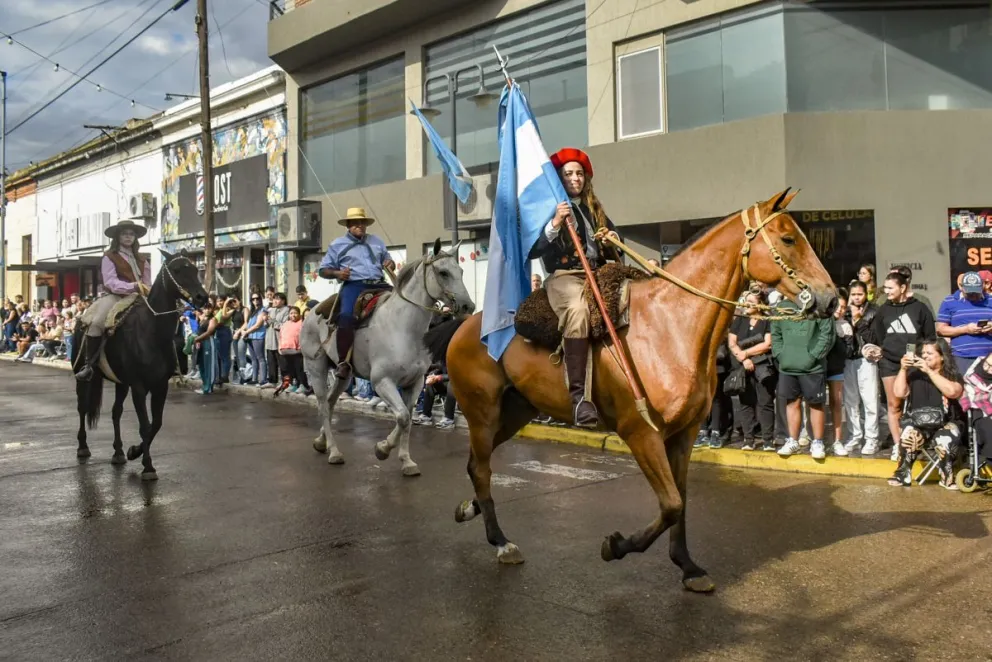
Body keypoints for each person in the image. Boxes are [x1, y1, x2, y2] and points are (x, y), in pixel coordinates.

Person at [527, 147, 622, 429]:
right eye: (568, 174)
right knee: (579, 310)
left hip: (598, 272)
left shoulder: (594, 208)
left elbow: (617, 242)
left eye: (579, 173)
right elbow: (533, 249)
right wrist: (555, 222)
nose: (575, 178)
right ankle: (579, 398)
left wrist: (612, 238)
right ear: (559, 178)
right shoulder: (548, 210)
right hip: (564, 275)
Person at [318, 207, 396, 379]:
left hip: (379, 283)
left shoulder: (377, 241)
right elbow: (323, 270)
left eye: (362, 222)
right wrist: (338, 273)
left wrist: (390, 263)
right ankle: (343, 362)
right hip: (354, 285)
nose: (360, 225)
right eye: (355, 223)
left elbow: (388, 260)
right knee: (346, 316)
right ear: (348, 225)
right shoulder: (337, 244)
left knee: (404, 303)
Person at [869, 271, 936, 461]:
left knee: (918, 404)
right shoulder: (883, 309)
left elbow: (930, 336)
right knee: (894, 404)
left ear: (903, 288)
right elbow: (880, 336)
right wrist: (887, 353)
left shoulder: (920, 308)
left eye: (890, 288)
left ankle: (919, 441)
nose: (887, 291)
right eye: (886, 287)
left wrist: (923, 359)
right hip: (890, 363)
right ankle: (899, 445)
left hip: (915, 362)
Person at [75, 219, 151, 381]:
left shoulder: (143, 259)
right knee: (96, 323)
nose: (128, 237)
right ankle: (89, 365)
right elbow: (111, 282)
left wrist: (145, 289)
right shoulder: (109, 257)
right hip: (115, 296)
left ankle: (171, 361)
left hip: (140, 297)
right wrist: (133, 286)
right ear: (118, 237)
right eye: (124, 234)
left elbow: (147, 282)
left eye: (131, 234)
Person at [888, 339, 963, 489]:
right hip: (918, 423)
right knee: (909, 434)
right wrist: (903, 369)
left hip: (945, 423)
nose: (925, 356)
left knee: (945, 437)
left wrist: (929, 372)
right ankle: (903, 474)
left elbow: (953, 392)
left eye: (929, 353)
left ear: (942, 356)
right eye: (923, 353)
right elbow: (898, 392)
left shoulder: (951, 374)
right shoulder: (914, 373)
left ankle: (946, 477)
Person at [772, 298, 835, 459]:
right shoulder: (782, 307)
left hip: (812, 367)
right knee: (791, 402)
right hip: (788, 365)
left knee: (815, 404)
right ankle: (792, 440)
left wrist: (813, 356)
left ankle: (817, 441)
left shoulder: (820, 305)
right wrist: (780, 355)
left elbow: (827, 334)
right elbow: (775, 333)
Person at [728, 292, 776, 451]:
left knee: (766, 402)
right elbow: (732, 343)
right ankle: (748, 439)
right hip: (743, 366)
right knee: (745, 403)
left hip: (763, 367)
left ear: (760, 303)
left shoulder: (767, 321)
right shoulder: (739, 320)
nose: (745, 304)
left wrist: (747, 353)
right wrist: (744, 359)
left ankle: (768, 439)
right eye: (744, 301)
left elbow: (768, 344)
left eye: (750, 301)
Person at [844, 280, 880, 455]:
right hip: (848, 359)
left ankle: (872, 438)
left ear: (866, 294)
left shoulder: (873, 311)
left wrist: (859, 321)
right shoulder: (843, 311)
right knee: (851, 402)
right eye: (854, 294)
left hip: (867, 360)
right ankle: (855, 436)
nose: (857, 298)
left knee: (870, 400)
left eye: (860, 294)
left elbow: (874, 337)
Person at [936, 271, 992, 375]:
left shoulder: (990, 300)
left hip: (989, 357)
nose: (974, 296)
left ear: (983, 286)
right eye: (970, 292)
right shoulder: (949, 301)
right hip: (961, 357)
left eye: (976, 292)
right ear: (961, 287)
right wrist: (965, 329)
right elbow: (940, 329)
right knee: (962, 388)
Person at [825, 290, 857, 456]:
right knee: (813, 404)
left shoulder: (845, 325)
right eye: (837, 306)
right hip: (818, 368)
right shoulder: (821, 321)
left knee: (836, 403)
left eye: (843, 307)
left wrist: (842, 338)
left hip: (836, 369)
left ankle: (837, 440)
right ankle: (809, 436)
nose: (840, 310)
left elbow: (849, 351)